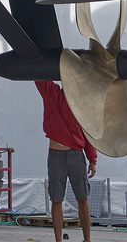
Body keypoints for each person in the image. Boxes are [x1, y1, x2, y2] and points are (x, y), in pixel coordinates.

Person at [36, 80, 97, 242]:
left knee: (82, 198)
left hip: (76, 154)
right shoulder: (52, 93)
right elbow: (38, 78)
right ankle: (58, 240)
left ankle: (87, 240)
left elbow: (88, 133)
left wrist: (92, 159)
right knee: (56, 199)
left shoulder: (81, 103)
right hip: (56, 156)